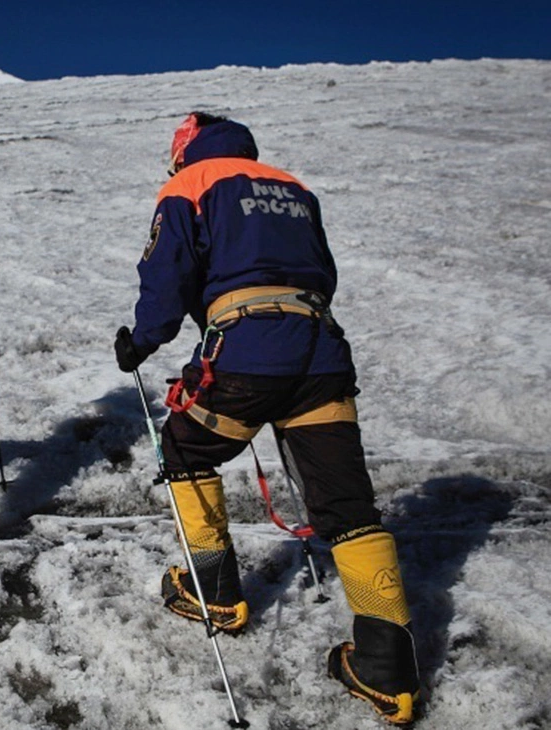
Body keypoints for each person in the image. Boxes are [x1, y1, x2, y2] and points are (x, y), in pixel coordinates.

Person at [115, 112, 421, 725]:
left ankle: (216, 594)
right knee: (346, 503)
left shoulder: (189, 185)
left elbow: (166, 273)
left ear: (186, 149)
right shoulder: (293, 188)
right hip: (321, 351)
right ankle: (388, 669)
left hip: (249, 353)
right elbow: (321, 274)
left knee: (185, 448)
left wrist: (142, 341)